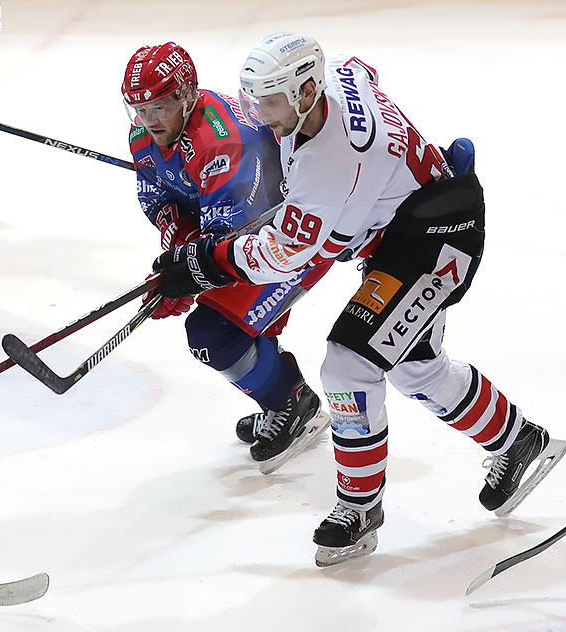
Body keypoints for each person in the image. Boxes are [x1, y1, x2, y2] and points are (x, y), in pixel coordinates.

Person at [151, 32, 565, 566]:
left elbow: (282, 255)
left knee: (350, 364)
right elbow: (362, 70)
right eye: (253, 99)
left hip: (433, 239)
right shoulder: (336, 75)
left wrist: (204, 264)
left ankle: (360, 507)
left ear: (304, 92)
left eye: (269, 103)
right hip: (415, 222)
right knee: (417, 368)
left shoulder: (330, 164)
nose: (260, 115)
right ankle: (519, 441)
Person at [122, 42, 331, 473]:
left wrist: (184, 278)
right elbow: (158, 199)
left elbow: (227, 249)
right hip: (249, 241)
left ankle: (292, 404)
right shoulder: (145, 135)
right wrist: (180, 254)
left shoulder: (221, 143)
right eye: (139, 110)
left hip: (291, 241)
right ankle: (282, 395)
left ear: (185, 94)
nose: (149, 121)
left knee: (213, 333)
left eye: (160, 106)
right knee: (234, 327)